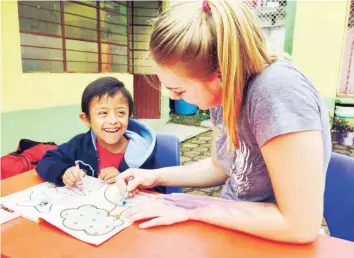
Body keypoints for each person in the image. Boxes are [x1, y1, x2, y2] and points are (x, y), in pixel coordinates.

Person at [116, 0, 331, 244]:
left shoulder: (278, 92)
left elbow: (300, 225)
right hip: (232, 225)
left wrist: (195, 209)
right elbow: (221, 167)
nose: (172, 97)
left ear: (220, 74)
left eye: (178, 90)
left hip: (272, 240)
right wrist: (155, 176)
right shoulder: (223, 94)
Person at [36, 77, 164, 193]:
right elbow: (46, 162)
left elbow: (159, 189)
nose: (113, 120)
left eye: (121, 112)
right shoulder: (80, 144)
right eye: (103, 113)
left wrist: (127, 180)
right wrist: (64, 172)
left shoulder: (142, 153)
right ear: (86, 119)